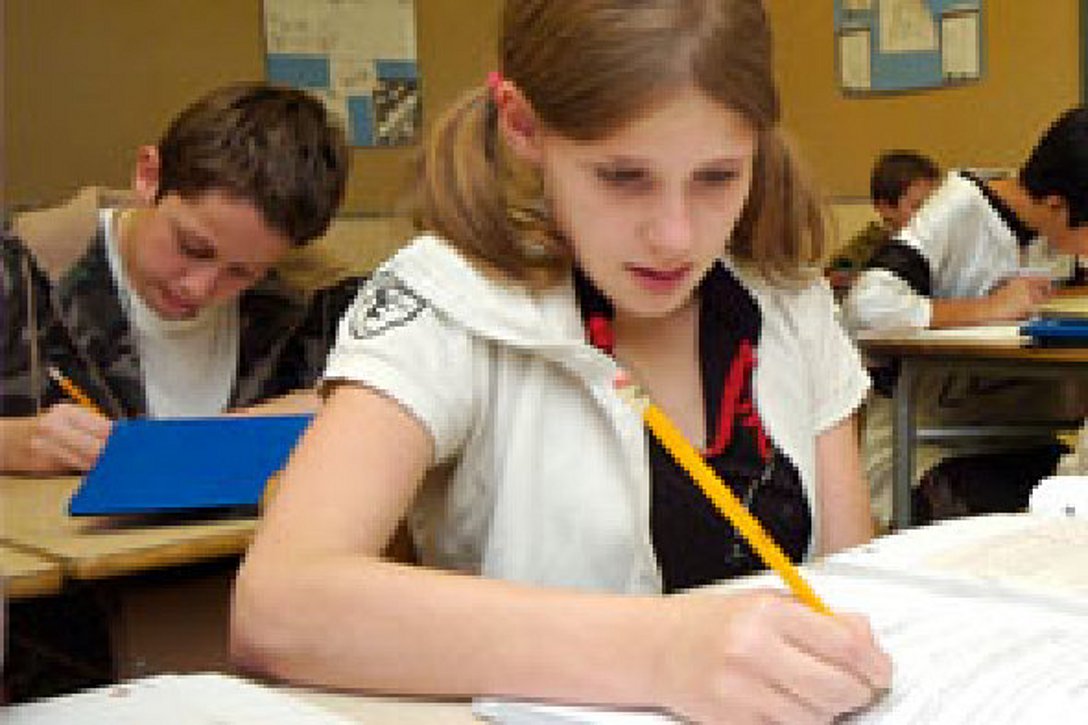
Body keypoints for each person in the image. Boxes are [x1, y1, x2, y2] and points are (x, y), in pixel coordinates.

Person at [232, 2, 891, 722]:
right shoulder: (446, 300)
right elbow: (279, 606)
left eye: (717, 177)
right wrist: (661, 653)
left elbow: (849, 582)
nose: (675, 236)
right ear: (523, 126)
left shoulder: (789, 302)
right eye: (623, 176)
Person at [0, 82, 350, 474]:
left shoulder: (320, 306)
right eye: (193, 248)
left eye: (241, 273)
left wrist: (339, 405)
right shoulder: (19, 271)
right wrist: (11, 443)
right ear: (149, 176)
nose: (198, 289)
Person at [842, 107, 1088, 527]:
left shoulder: (1060, 233)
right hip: (932, 448)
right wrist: (988, 310)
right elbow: (864, 308)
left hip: (1026, 441)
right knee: (1021, 533)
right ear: (1056, 206)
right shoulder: (960, 208)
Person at [825, 150, 939, 295]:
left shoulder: (938, 245)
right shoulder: (864, 250)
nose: (929, 215)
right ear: (886, 208)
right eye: (918, 207)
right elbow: (834, 282)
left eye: (934, 206)